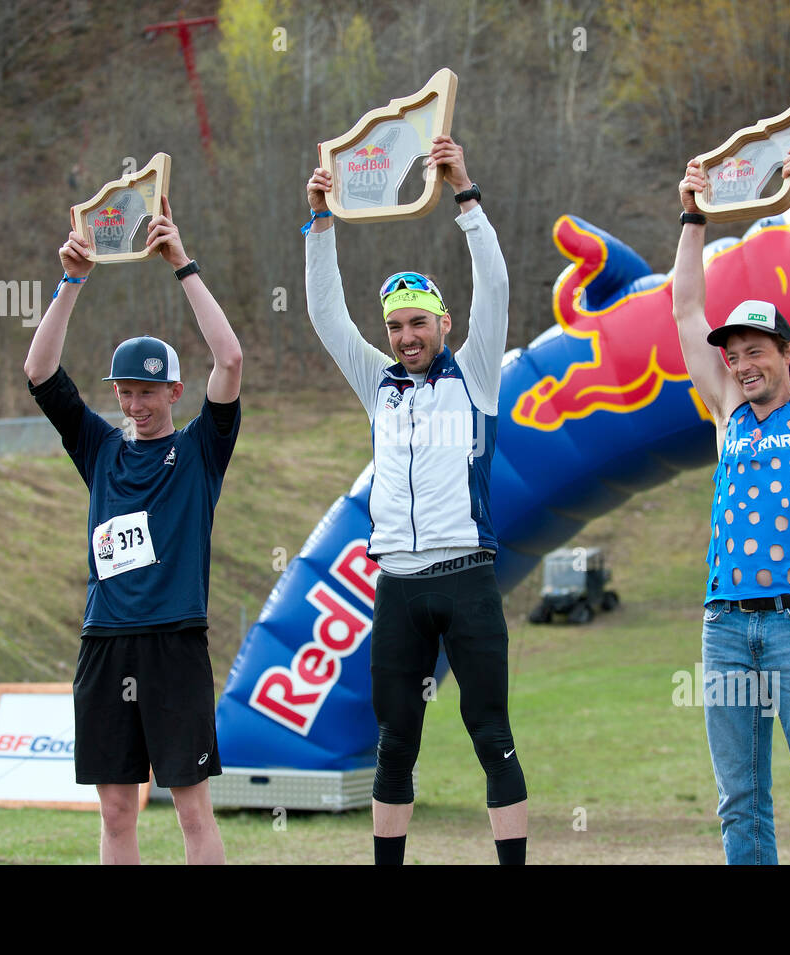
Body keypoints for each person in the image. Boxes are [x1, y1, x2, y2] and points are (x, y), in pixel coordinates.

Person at [303, 136, 528, 865]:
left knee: (491, 736)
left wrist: (466, 197)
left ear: (445, 326)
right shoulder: (379, 386)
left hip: (466, 580)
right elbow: (327, 317)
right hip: (396, 586)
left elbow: (493, 283)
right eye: (396, 326)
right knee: (394, 743)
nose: (405, 337)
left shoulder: (478, 377)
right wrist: (320, 224)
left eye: (418, 324)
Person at [23, 196, 242, 864]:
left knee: (191, 808)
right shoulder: (100, 447)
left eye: (147, 392)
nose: (135, 403)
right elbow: (39, 373)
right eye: (124, 390)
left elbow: (229, 360)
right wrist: (70, 280)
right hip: (104, 643)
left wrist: (183, 264)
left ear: (175, 392)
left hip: (174, 645)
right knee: (118, 809)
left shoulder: (202, 448)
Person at [672, 145, 790, 864]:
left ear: (787, 353)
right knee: (740, 803)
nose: (743, 364)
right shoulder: (726, 415)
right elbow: (687, 306)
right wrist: (693, 216)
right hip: (725, 629)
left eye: (757, 350)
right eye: (734, 353)